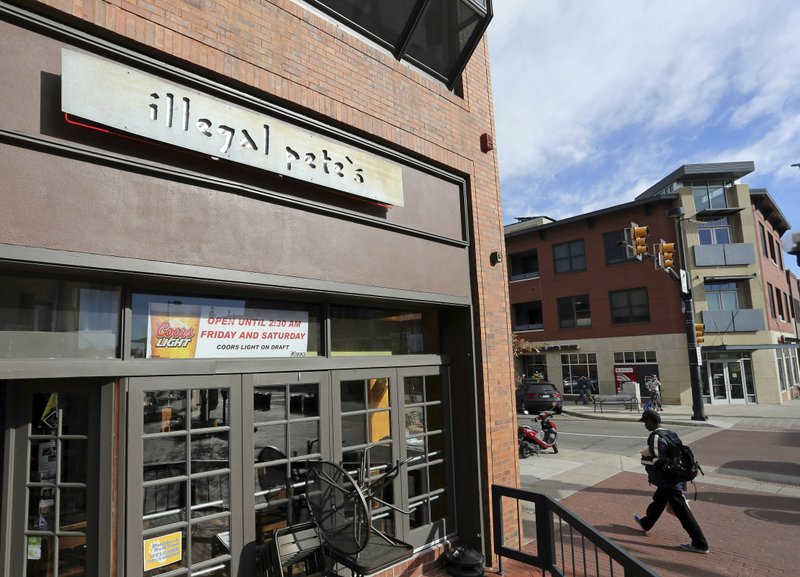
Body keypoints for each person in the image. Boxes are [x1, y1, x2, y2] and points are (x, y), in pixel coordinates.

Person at [633, 409, 709, 554]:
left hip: (668, 479)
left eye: (645, 422)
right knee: (659, 500)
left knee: (682, 511)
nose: (645, 425)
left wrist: (645, 459)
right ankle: (646, 523)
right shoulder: (670, 433)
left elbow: (658, 460)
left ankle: (700, 543)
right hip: (675, 475)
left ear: (651, 420)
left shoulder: (655, 437)